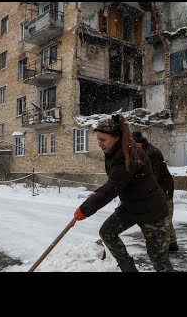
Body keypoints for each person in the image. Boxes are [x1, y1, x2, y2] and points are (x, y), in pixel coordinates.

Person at [72, 114, 173, 272]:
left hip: (151, 210)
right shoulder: (116, 151)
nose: (100, 144)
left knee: (158, 258)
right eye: (98, 139)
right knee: (107, 232)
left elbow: (113, 186)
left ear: (116, 137)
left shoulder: (127, 155)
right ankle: (129, 269)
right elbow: (116, 181)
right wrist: (97, 193)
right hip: (132, 206)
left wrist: (85, 209)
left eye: (103, 140)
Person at [132, 130, 179, 252]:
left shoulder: (151, 153)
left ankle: (164, 248)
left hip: (163, 189)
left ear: (140, 142)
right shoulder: (142, 151)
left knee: (164, 219)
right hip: (158, 188)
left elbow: (153, 176)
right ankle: (172, 244)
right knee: (166, 218)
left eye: (134, 143)